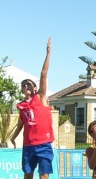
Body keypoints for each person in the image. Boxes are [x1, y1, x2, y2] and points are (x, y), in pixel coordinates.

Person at [10, 38, 54, 179]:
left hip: (44, 144)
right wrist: (13, 137)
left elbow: (43, 73)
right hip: (28, 145)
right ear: (22, 90)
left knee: (44, 176)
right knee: (28, 174)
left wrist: (48, 53)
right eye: (24, 85)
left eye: (29, 84)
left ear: (35, 88)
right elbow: (20, 125)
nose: (26, 86)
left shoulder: (40, 98)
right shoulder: (21, 106)